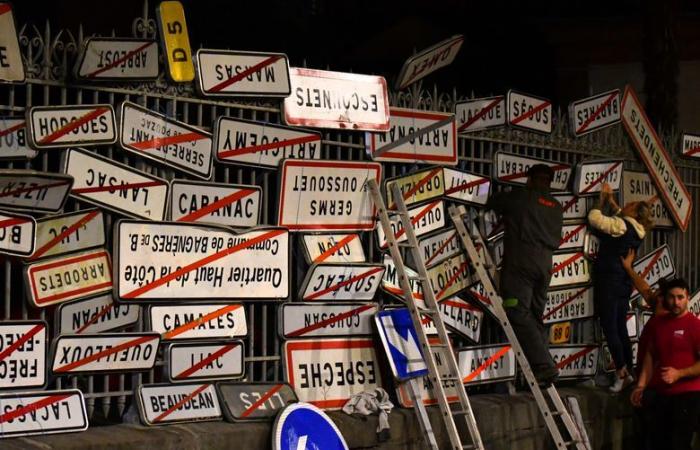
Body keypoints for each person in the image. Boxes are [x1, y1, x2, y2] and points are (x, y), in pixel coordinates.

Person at [486, 163, 563, 385]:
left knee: (515, 309)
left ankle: (544, 366)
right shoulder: (556, 206)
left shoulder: (521, 198)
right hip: (545, 265)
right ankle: (543, 370)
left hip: (522, 262)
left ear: (529, 180)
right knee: (534, 316)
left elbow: (493, 202)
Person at [588, 183, 652, 392]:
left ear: (634, 213)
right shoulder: (638, 230)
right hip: (623, 282)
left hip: (609, 280)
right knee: (621, 327)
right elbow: (621, 218)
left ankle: (621, 372)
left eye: (630, 205)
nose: (626, 205)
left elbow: (595, 219)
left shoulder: (623, 225)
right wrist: (613, 203)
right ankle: (629, 371)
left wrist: (601, 200)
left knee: (609, 326)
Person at [631, 278, 700, 450]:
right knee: (658, 443)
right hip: (662, 394)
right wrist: (640, 386)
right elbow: (650, 355)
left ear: (688, 298)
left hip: (688, 395)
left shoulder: (695, 326)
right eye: (671, 297)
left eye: (680, 297)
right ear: (665, 298)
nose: (675, 302)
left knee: (679, 444)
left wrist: (679, 373)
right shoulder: (657, 324)